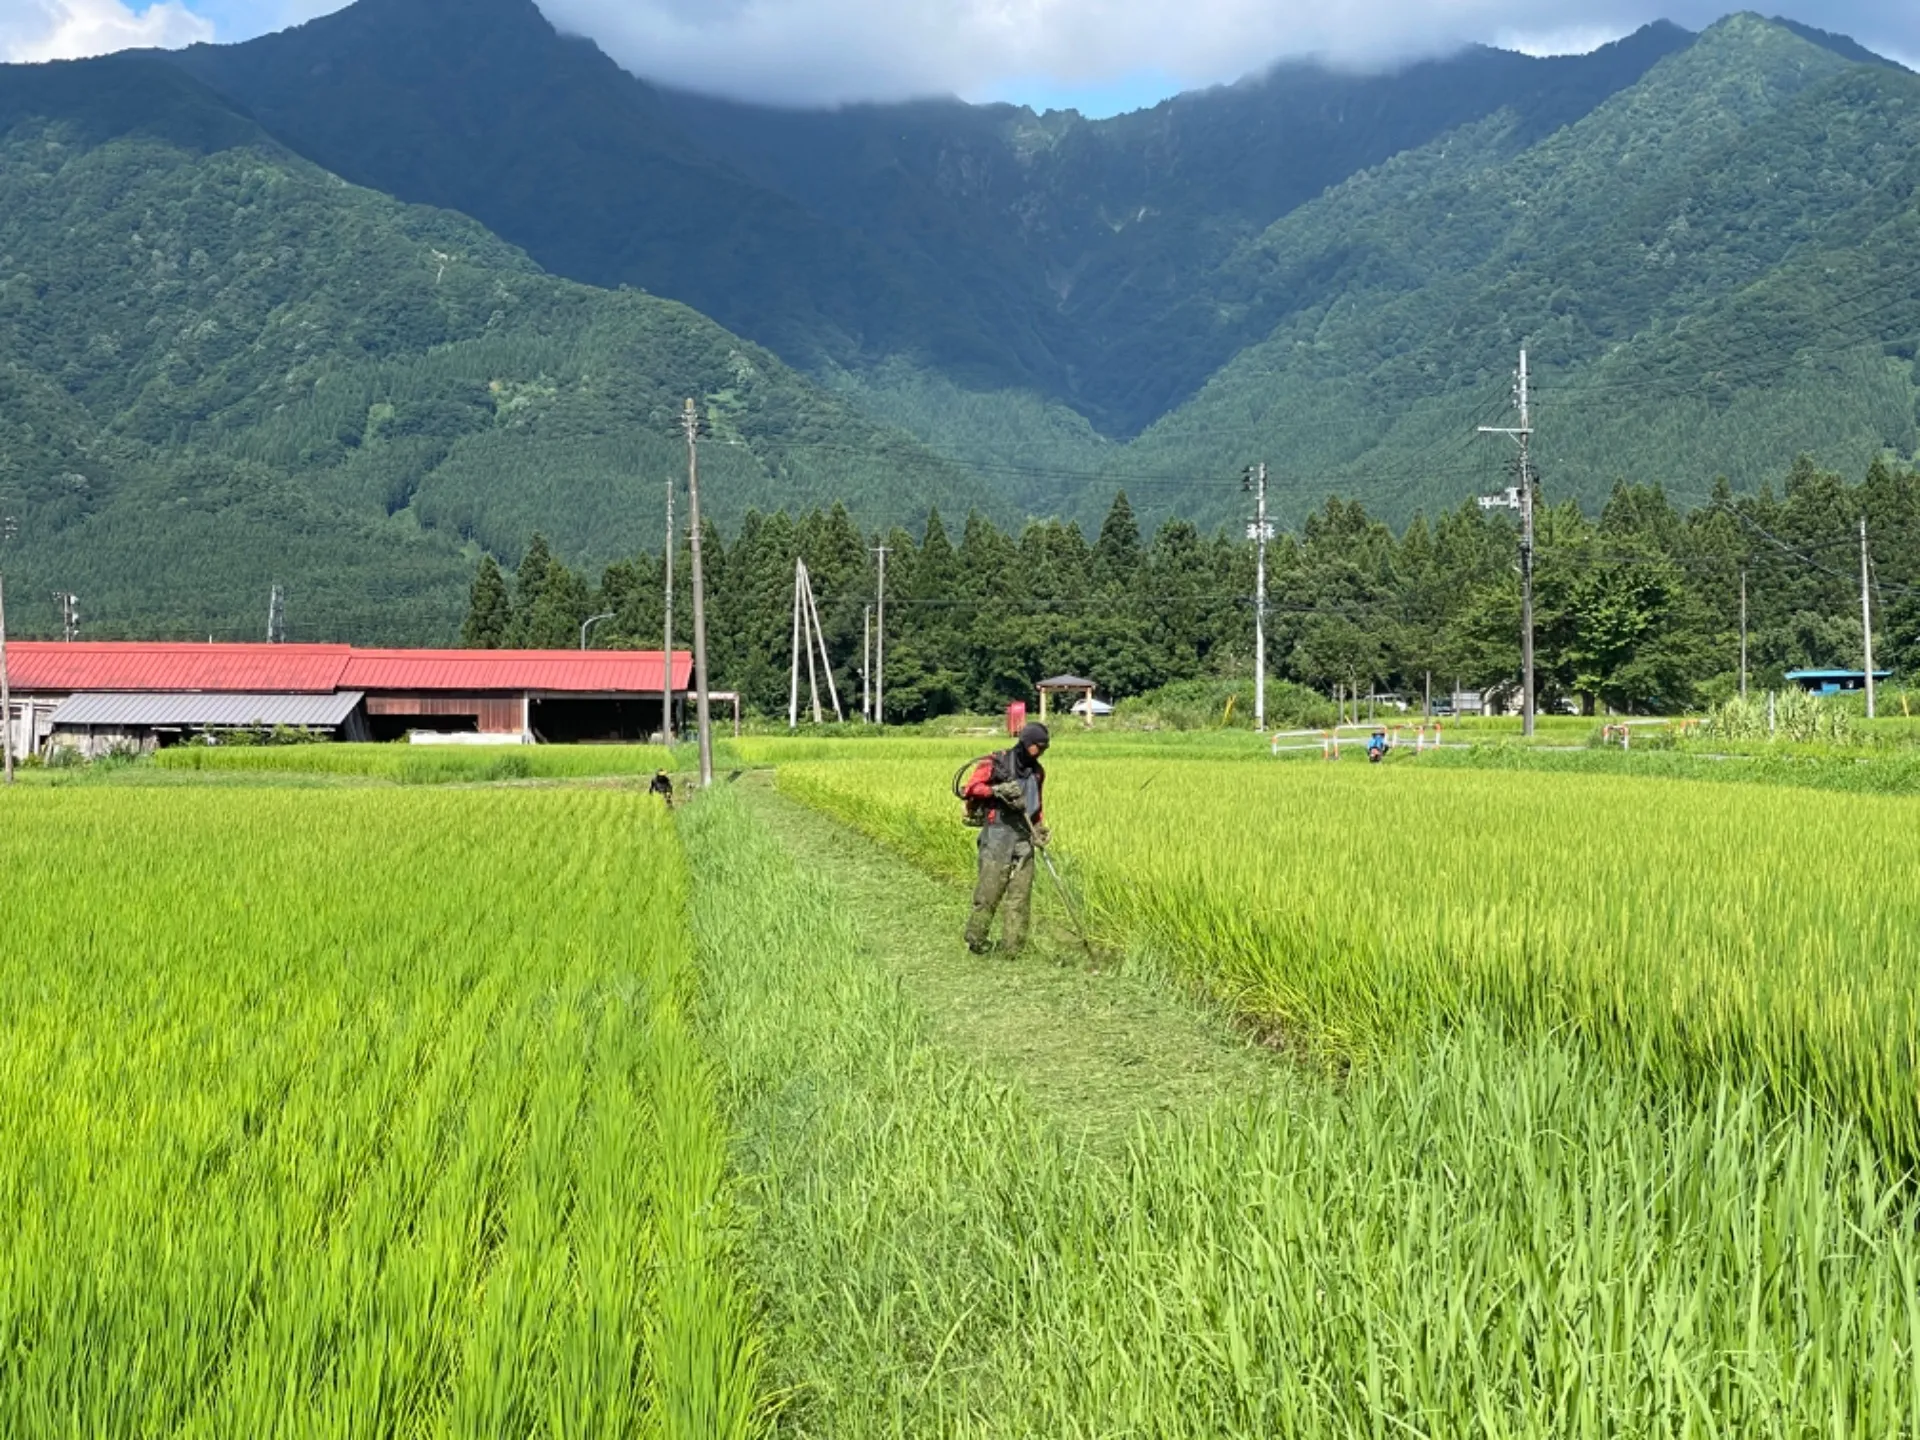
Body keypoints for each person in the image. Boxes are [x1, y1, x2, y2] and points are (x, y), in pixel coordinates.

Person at [960, 721, 1050, 954]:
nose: (1040, 751)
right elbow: (971, 788)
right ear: (1026, 743)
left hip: (1024, 834)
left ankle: (1013, 947)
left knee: (1020, 895)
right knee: (990, 891)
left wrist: (1039, 828)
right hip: (998, 832)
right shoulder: (997, 763)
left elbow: (1036, 805)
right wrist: (997, 791)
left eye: (1044, 747)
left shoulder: (1038, 772)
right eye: (1037, 746)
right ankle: (976, 940)